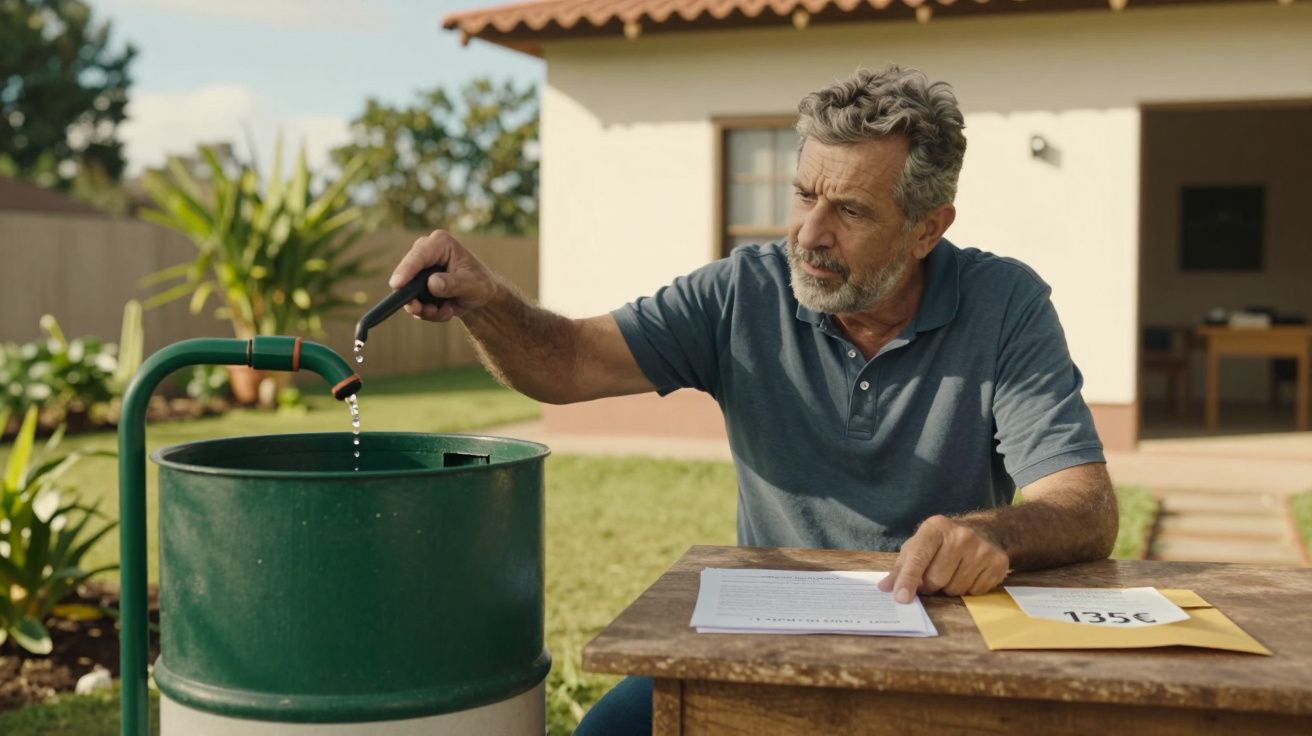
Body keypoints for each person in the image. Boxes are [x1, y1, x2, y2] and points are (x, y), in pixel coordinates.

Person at [388, 65, 1117, 735]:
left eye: (851, 211)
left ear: (928, 228)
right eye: (803, 194)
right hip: (765, 631)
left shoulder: (1004, 302)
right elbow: (570, 362)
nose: (808, 232)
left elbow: (1084, 502)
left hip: (942, 638)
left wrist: (994, 534)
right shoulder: (743, 290)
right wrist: (485, 300)